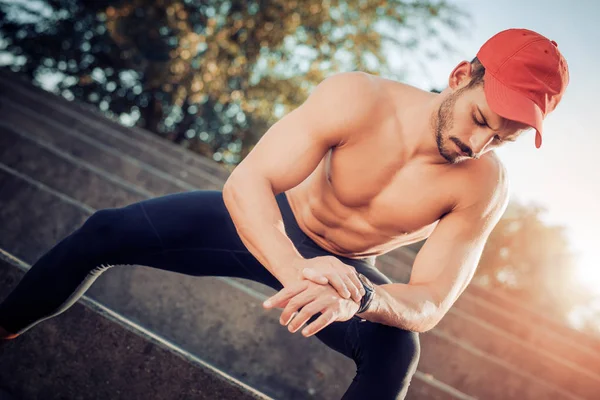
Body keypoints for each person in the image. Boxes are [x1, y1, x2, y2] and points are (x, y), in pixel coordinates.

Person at [0, 28, 568, 399]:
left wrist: (363, 297)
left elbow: (430, 302)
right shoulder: (360, 98)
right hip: (269, 224)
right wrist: (294, 267)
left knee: (397, 350)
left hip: (344, 274)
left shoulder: (484, 185)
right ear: (460, 77)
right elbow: (249, 181)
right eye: (479, 119)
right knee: (104, 230)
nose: (479, 144)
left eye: (503, 138)